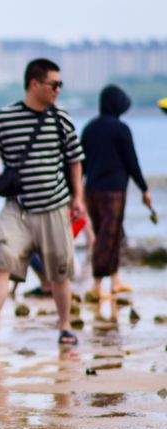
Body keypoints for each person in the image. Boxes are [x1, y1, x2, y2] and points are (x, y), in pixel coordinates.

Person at [0, 58, 86, 348]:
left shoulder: (62, 118)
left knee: (59, 270)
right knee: (2, 264)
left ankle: (65, 327)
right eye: (53, 84)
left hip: (55, 207)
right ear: (34, 84)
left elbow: (75, 161)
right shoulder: (5, 118)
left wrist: (78, 198)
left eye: (60, 85)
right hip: (16, 208)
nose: (58, 89)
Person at [80, 84, 155, 302]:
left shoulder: (90, 128)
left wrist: (76, 192)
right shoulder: (121, 129)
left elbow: (80, 164)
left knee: (112, 234)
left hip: (91, 191)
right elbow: (132, 163)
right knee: (108, 236)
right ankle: (96, 284)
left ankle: (114, 281)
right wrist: (144, 188)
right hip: (113, 192)